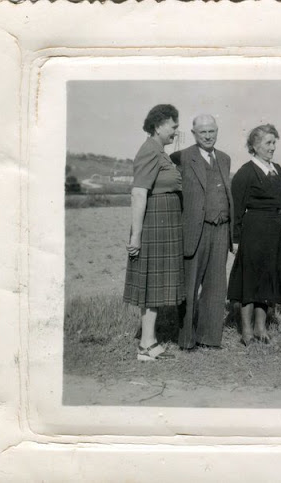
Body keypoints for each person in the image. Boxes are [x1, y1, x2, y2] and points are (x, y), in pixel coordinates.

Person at [123, 104, 185, 361]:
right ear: (159, 125)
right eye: (173, 126)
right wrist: (136, 236)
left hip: (164, 222)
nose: (175, 131)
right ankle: (146, 346)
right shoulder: (150, 150)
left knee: (156, 285)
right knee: (151, 283)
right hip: (154, 223)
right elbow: (139, 193)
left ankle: (149, 342)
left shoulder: (160, 151)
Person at [170, 114, 234, 350]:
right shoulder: (183, 157)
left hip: (221, 229)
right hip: (195, 230)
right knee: (189, 285)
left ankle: (209, 337)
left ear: (217, 132)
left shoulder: (225, 159)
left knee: (216, 286)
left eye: (212, 131)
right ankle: (187, 339)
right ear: (194, 133)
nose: (208, 136)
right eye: (203, 132)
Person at [227, 124, 281, 345]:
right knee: (250, 280)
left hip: (274, 232)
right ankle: (246, 331)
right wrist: (235, 239)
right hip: (253, 230)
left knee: (267, 278)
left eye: (275, 142)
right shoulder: (245, 173)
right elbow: (236, 210)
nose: (273, 147)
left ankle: (261, 328)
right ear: (254, 146)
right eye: (268, 143)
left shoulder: (277, 170)